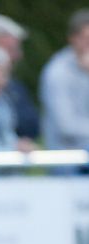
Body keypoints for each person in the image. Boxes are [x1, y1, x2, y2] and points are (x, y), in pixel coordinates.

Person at [40, 9, 89, 155]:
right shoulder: (57, 72)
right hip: (67, 158)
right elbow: (66, 126)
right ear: (73, 39)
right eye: (87, 38)